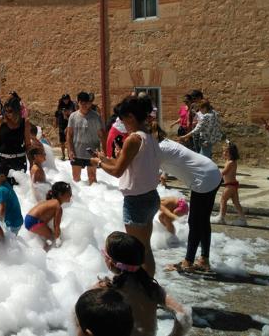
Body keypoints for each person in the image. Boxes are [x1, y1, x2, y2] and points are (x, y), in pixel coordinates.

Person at [91, 96, 161, 277]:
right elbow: (126, 165)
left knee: (135, 252)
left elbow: (117, 172)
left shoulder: (133, 139)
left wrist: (99, 164)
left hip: (136, 200)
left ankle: (140, 292)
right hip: (151, 197)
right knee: (145, 248)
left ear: (130, 116)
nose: (121, 123)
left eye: (122, 119)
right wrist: (105, 159)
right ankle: (149, 288)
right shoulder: (150, 137)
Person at [153, 124, 222, 274]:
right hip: (211, 173)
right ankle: (203, 260)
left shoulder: (160, 149)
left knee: (195, 222)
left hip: (204, 178)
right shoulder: (163, 144)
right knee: (202, 221)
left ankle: (188, 262)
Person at [98, 232, 190, 336]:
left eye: (103, 253)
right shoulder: (151, 288)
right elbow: (184, 315)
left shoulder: (104, 288)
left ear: (111, 262)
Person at [68, 92, 105, 184]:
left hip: (92, 153)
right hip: (77, 151)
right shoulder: (73, 116)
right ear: (78, 103)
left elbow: (102, 135)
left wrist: (103, 150)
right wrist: (70, 150)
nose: (84, 105)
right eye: (82, 103)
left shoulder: (96, 116)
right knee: (76, 180)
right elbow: (69, 134)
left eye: (86, 103)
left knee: (92, 179)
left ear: (90, 103)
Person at [24, 182, 71, 251]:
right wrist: (58, 241)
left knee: (48, 235)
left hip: (29, 219)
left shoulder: (52, 201)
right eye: (69, 193)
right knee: (51, 238)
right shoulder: (58, 206)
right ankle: (45, 254)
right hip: (34, 221)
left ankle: (41, 251)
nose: (71, 195)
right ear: (61, 195)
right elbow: (56, 226)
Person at [0, 95, 32, 172]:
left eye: (10, 111)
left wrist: (31, 162)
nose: (7, 113)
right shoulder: (0, 121)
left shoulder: (25, 123)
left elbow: (28, 144)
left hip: (19, 161)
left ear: (16, 110)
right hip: (2, 161)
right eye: (5, 111)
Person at [212, 141, 247, 226]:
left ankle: (221, 217)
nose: (224, 153)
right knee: (236, 202)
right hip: (232, 185)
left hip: (230, 186)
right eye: (224, 151)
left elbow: (224, 172)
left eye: (226, 151)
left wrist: (214, 174)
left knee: (223, 200)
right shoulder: (229, 161)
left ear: (232, 153)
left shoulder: (231, 163)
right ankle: (242, 219)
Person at [0, 162, 23, 234]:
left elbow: (2, 209)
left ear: (1, 176)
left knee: (9, 242)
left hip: (12, 223)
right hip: (18, 220)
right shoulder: (6, 184)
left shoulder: (1, 190)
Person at [54, 94, 76, 160]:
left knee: (69, 141)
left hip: (69, 126)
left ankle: (70, 155)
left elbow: (72, 117)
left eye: (67, 99)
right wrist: (56, 123)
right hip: (61, 125)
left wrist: (66, 115)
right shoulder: (60, 107)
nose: (65, 100)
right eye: (64, 99)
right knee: (62, 141)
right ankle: (63, 155)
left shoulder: (71, 106)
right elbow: (56, 115)